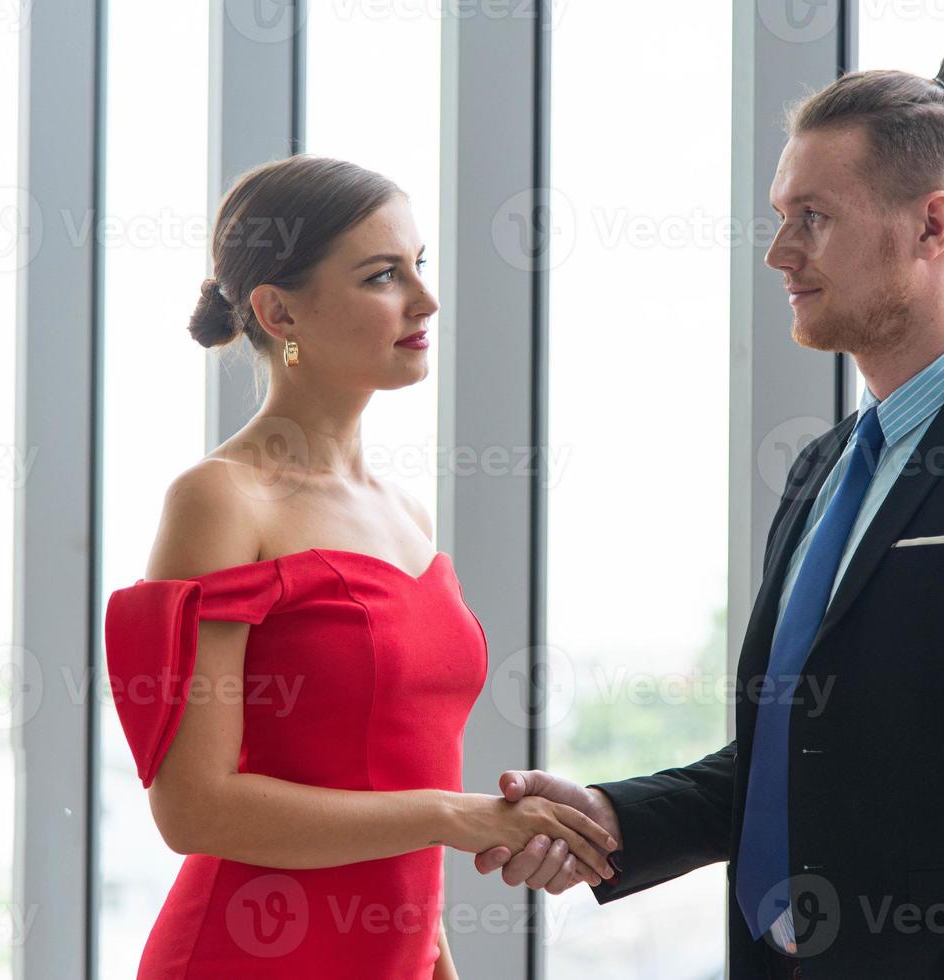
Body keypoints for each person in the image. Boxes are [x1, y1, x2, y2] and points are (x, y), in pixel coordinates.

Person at [476, 53, 944, 980]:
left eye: (814, 219)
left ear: (932, 226)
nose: (779, 253)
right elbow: (800, 751)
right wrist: (615, 817)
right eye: (779, 219)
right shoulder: (824, 465)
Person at [102, 155, 617, 979]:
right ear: (278, 311)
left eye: (420, 266)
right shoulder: (222, 500)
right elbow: (193, 809)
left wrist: (433, 959)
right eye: (382, 276)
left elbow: (396, 780)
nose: (424, 300)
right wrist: (462, 816)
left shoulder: (405, 515)